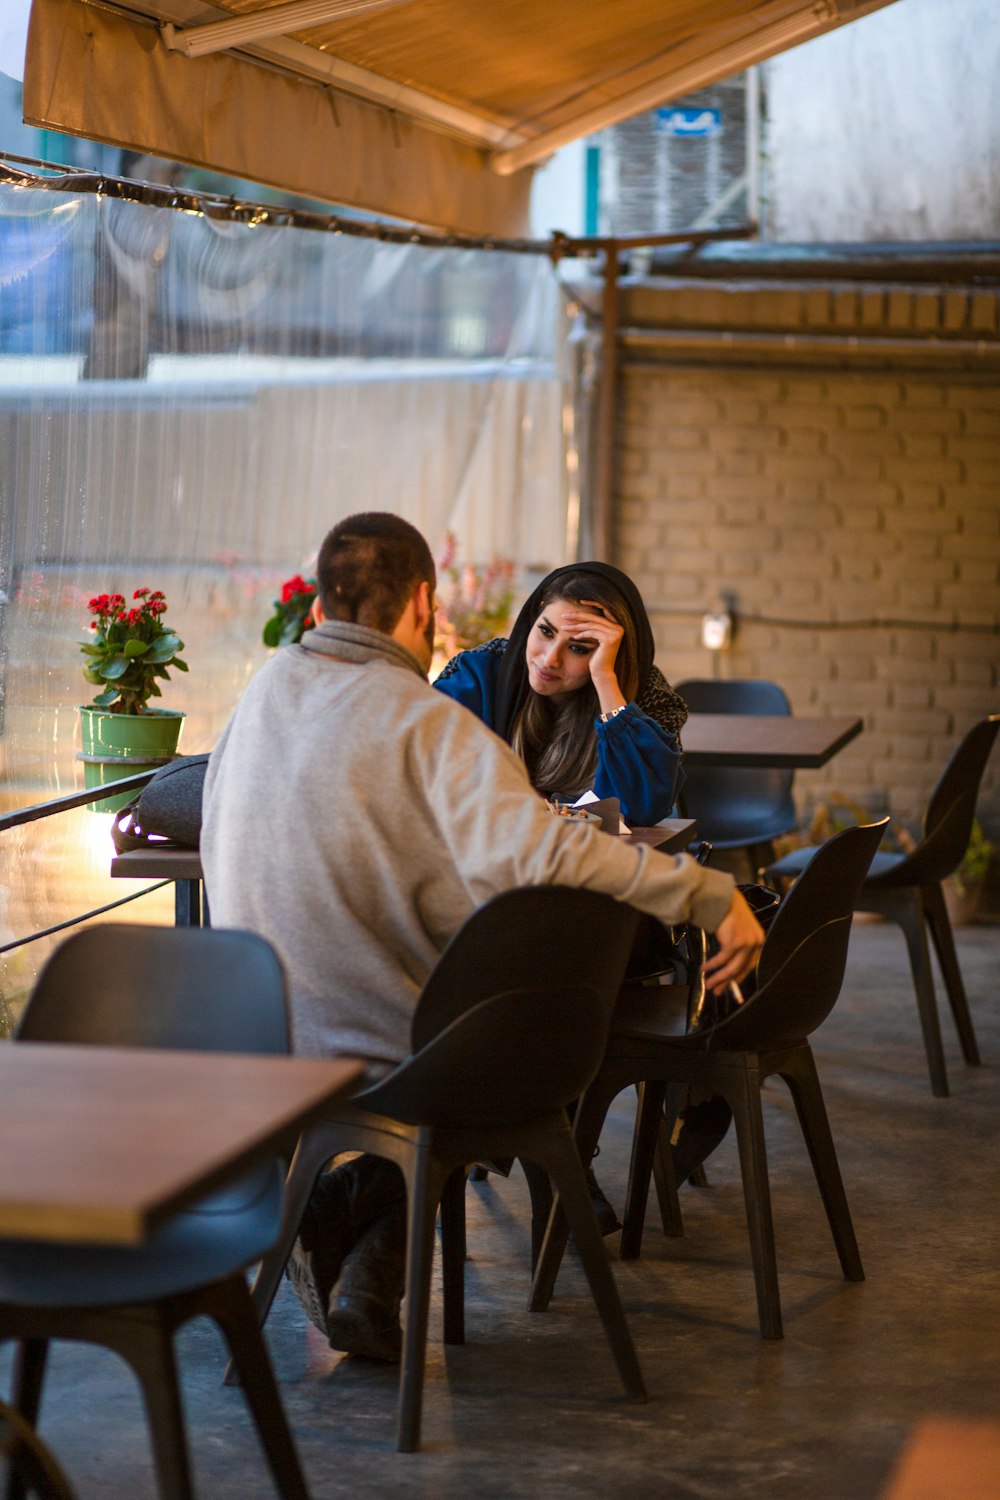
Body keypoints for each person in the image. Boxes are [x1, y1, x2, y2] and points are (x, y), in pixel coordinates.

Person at [201, 513, 764, 1363]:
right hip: (386, 1049)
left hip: (254, 1033)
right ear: (425, 601)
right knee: (494, 1029)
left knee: (445, 1014)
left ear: (318, 605)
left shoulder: (260, 694)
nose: (550, 659)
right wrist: (705, 893)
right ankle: (356, 1216)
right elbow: (546, 851)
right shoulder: (430, 713)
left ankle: (348, 1238)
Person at [433, 562, 685, 826]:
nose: (550, 659)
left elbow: (642, 809)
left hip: (592, 859)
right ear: (535, 614)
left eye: (579, 648)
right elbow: (427, 766)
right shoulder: (481, 671)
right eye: (545, 631)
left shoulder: (648, 697)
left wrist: (605, 680)